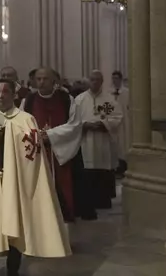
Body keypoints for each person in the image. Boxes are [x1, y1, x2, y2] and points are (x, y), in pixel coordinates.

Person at [0, 80, 71, 276]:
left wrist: (8, 127)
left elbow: (33, 149)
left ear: (14, 95)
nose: (2, 95)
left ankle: (13, 269)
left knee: (15, 226)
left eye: (6, 91)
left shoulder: (26, 119)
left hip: (15, 184)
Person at [20, 67, 82, 222]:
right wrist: (36, 136)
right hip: (36, 152)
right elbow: (20, 125)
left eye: (45, 79)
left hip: (59, 153)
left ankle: (63, 230)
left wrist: (50, 135)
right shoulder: (28, 101)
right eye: (38, 79)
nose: (41, 82)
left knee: (62, 190)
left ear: (54, 80)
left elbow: (74, 125)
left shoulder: (66, 100)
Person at [74, 70, 122, 219]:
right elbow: (72, 119)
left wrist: (103, 124)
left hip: (102, 140)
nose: (94, 82)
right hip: (86, 139)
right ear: (89, 81)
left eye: (97, 80)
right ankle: (89, 201)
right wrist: (84, 125)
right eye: (92, 79)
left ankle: (103, 200)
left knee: (103, 167)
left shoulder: (110, 99)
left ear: (102, 81)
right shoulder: (80, 100)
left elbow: (118, 117)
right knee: (87, 169)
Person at [111, 70, 129, 175]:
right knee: (115, 145)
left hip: (124, 122)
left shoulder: (126, 92)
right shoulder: (109, 92)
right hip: (113, 123)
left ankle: (124, 166)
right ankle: (116, 167)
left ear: (120, 79)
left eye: (116, 79)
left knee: (124, 143)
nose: (114, 81)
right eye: (113, 79)